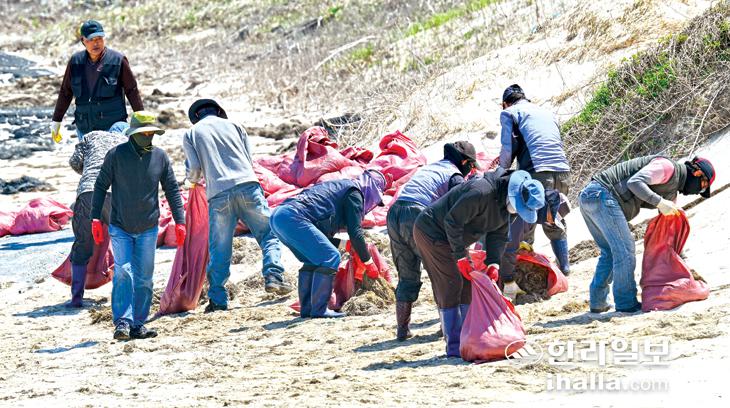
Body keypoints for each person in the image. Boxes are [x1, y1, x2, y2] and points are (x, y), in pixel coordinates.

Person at [413, 169, 545, 357]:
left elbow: (498, 234)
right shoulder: (481, 192)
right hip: (432, 232)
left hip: (455, 238)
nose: (517, 212)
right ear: (513, 194)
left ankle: (469, 338)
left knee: (468, 283)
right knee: (451, 283)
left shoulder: (508, 206)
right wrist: (461, 256)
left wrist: (494, 263)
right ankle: (454, 346)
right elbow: (452, 221)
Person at [183, 99, 292, 313]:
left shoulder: (192, 133)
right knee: (268, 234)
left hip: (218, 194)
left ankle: (218, 299)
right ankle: (273, 275)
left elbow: (194, 169)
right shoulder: (235, 126)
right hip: (248, 186)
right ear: (218, 112)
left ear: (196, 116)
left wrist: (193, 182)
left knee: (220, 248)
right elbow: (248, 159)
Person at [580, 155, 716, 314]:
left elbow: (669, 232)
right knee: (625, 250)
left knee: (610, 252)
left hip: (589, 197)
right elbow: (634, 182)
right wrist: (659, 202)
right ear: (698, 173)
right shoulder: (667, 167)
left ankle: (598, 302)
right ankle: (626, 304)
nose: (698, 192)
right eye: (702, 187)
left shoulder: (671, 193)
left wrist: (683, 264)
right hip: (602, 194)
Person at [91, 111, 185, 340]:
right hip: (120, 226)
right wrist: (95, 218)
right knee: (123, 271)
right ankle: (123, 322)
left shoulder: (160, 157)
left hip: (148, 228)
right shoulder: (116, 155)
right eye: (144, 133)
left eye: (151, 133)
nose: (148, 137)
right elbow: (100, 185)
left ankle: (138, 323)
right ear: (133, 134)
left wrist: (180, 221)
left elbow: (172, 189)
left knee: (144, 278)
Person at [386, 141, 479, 341]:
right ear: (464, 162)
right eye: (471, 166)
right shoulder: (454, 176)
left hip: (394, 214)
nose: (471, 171)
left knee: (407, 275)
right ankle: (447, 327)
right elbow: (458, 213)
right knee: (443, 272)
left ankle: (402, 330)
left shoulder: (432, 168)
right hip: (417, 215)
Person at [269, 170, 388, 318]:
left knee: (312, 260)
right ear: (372, 190)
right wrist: (368, 263)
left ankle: (307, 310)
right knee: (331, 256)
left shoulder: (340, 189)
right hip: (294, 217)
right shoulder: (355, 194)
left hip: (279, 217)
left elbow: (320, 238)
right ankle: (320, 310)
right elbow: (356, 233)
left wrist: (347, 245)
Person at [498, 84, 572, 276]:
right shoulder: (546, 112)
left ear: (505, 103)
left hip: (537, 171)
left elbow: (508, 148)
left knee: (525, 221)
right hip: (562, 170)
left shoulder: (509, 113)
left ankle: (526, 271)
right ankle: (565, 267)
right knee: (553, 217)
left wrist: (500, 171)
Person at [51, 20, 143, 142]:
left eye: (99, 38)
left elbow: (132, 90)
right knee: (90, 155)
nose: (96, 43)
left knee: (113, 154)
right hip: (84, 128)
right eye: (91, 40)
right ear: (83, 41)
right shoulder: (75, 62)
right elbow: (65, 92)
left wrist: (142, 121)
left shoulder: (117, 60)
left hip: (113, 127)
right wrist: (56, 120)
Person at [66, 130, 127, 307]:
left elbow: (75, 161)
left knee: (82, 244)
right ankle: (122, 294)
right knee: (123, 244)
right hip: (115, 194)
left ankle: (76, 298)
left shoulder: (90, 136)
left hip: (88, 192)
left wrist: (87, 170)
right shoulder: (126, 140)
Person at [499, 189, 570, 301]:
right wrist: (509, 281)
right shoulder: (524, 212)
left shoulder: (534, 210)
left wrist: (522, 244)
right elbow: (508, 248)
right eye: (552, 218)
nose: (552, 222)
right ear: (548, 209)